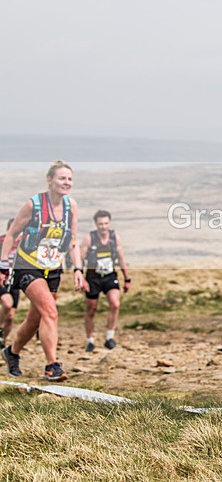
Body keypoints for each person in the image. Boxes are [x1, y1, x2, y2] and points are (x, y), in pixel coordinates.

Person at [0, 161, 86, 381]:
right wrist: (3, 266)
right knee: (50, 311)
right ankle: (52, 365)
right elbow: (11, 234)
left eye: (69, 179)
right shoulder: (34, 205)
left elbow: (72, 240)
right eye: (61, 178)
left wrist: (78, 269)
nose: (66, 182)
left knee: (35, 320)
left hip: (53, 268)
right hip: (27, 265)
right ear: (50, 180)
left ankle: (12, 353)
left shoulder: (71, 207)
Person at [80, 210, 131, 352]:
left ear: (110, 223)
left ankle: (110, 337)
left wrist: (127, 278)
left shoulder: (115, 238)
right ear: (96, 224)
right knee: (91, 309)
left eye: (106, 223)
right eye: (101, 224)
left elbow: (121, 258)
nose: (103, 227)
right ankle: (89, 340)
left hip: (110, 276)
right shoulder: (89, 238)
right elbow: (80, 259)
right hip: (93, 277)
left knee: (115, 304)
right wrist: (81, 278)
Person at [0, 219, 22, 346]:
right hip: (2, 279)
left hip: (14, 280)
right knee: (7, 304)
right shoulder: (2, 241)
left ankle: (3, 339)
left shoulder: (23, 244)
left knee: (11, 316)